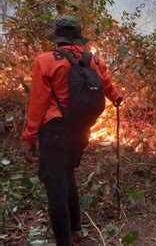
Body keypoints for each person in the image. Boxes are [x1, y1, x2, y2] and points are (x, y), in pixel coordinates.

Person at [23, 16, 123, 246]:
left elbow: (38, 102)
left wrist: (29, 137)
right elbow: (108, 87)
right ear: (79, 38)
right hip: (81, 132)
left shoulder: (46, 61)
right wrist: (116, 97)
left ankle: (64, 241)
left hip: (55, 131)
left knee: (55, 185)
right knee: (67, 175)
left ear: (57, 39)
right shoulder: (94, 60)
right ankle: (76, 230)